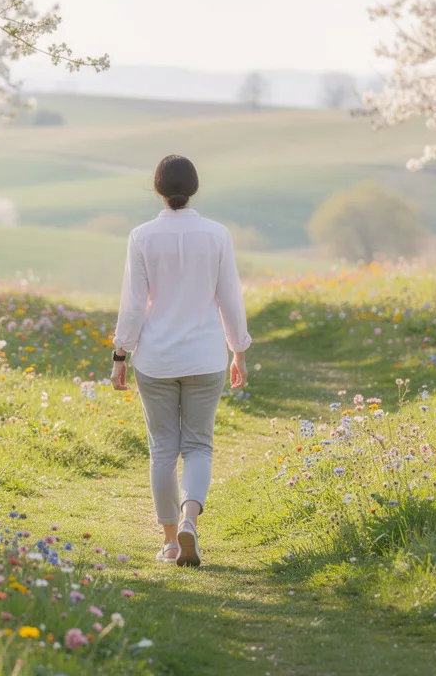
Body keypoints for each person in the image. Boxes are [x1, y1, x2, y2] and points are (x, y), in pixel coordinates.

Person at [110, 154, 251, 568]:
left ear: (157, 188)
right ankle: (191, 518)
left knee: (163, 451)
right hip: (206, 356)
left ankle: (171, 542)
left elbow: (134, 304)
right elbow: (230, 297)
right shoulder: (217, 235)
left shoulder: (142, 236)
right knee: (199, 446)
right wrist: (238, 349)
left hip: (155, 359)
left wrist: (121, 351)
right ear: (193, 189)